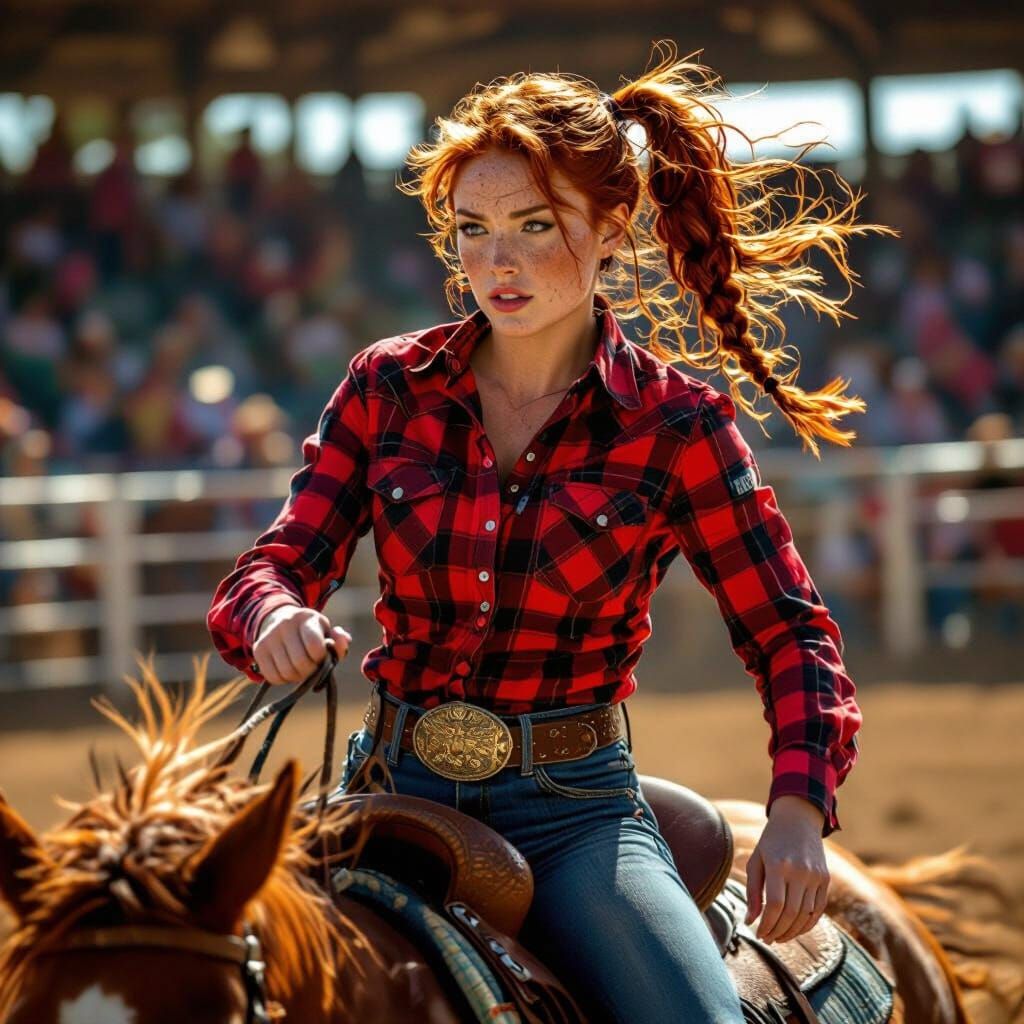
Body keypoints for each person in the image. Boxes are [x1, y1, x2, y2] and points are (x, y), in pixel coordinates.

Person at [208, 44, 883, 1023]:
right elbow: (271, 566)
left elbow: (792, 634)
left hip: (577, 819)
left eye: (535, 225)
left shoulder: (677, 425)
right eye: (473, 229)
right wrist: (272, 614)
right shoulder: (381, 387)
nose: (499, 260)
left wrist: (795, 809)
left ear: (611, 228)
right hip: (383, 794)